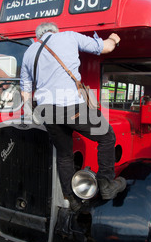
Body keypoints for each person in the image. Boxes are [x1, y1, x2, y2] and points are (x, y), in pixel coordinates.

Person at [20, 22, 126, 212]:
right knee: (107, 136)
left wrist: (31, 113)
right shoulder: (69, 36)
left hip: (45, 109)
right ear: (55, 31)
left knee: (64, 154)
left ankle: (72, 199)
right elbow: (105, 47)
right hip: (70, 106)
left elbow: (26, 89)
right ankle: (106, 184)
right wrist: (114, 38)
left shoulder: (30, 52)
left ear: (38, 36)